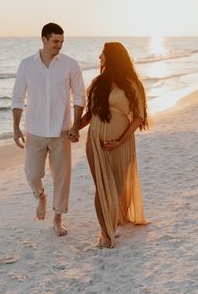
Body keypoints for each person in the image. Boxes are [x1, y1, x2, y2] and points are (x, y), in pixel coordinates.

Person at [12, 23, 85, 236]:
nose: (59, 46)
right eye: (55, 41)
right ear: (43, 39)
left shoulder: (70, 64)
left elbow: (80, 95)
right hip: (34, 130)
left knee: (62, 177)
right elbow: (18, 97)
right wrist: (16, 127)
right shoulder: (26, 65)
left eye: (62, 42)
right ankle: (41, 195)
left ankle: (58, 218)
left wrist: (76, 125)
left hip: (62, 130)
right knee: (32, 173)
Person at [80, 42, 149, 248]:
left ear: (112, 57)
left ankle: (112, 223)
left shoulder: (132, 84)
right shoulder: (97, 83)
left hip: (122, 143)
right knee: (101, 187)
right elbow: (91, 114)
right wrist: (75, 128)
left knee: (117, 188)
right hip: (95, 141)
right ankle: (106, 233)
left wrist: (121, 140)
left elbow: (139, 117)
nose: (99, 57)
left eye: (102, 54)